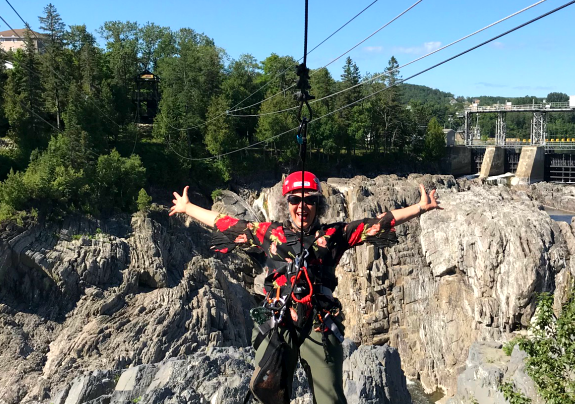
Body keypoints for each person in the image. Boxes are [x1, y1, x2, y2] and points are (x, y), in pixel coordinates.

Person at [169, 171, 442, 404]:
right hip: (278, 320)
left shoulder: (333, 236)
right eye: (295, 200)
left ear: (318, 205)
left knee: (331, 398)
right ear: (287, 204)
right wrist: (188, 208)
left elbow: (376, 224)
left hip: (320, 323)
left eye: (309, 200)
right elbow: (225, 223)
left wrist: (419, 208)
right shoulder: (271, 234)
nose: (302, 206)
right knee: (269, 391)